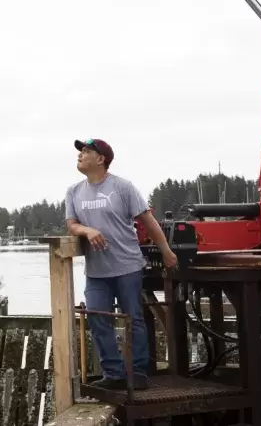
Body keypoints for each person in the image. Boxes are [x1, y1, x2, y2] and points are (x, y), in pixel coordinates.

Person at [64, 137, 177, 391]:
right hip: (96, 272)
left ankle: (138, 373)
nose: (80, 155)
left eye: (86, 151)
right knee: (96, 317)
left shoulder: (123, 187)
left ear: (101, 159)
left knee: (133, 318)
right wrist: (87, 230)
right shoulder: (73, 191)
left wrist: (166, 251)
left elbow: (148, 221)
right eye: (80, 151)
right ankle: (113, 372)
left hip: (127, 266)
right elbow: (71, 225)